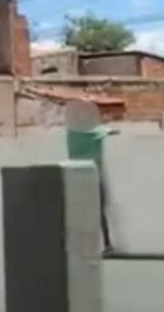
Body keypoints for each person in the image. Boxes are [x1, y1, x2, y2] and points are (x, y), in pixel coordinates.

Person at [64, 99, 116, 254]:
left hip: (83, 176)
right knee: (95, 212)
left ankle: (98, 243)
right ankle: (104, 243)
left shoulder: (73, 134)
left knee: (90, 212)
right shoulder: (92, 132)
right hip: (89, 177)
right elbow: (109, 131)